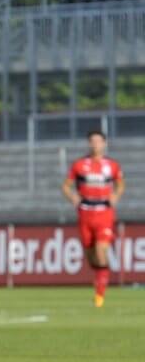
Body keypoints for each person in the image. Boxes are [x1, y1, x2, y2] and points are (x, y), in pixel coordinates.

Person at [62, 130, 124, 307]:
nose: (95, 144)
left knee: (101, 250)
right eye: (92, 141)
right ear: (89, 144)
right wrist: (72, 197)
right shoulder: (79, 164)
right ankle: (100, 277)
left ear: (104, 143)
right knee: (90, 256)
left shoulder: (112, 165)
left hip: (104, 213)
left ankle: (99, 296)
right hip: (85, 212)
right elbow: (66, 186)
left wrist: (116, 196)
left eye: (98, 141)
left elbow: (120, 184)